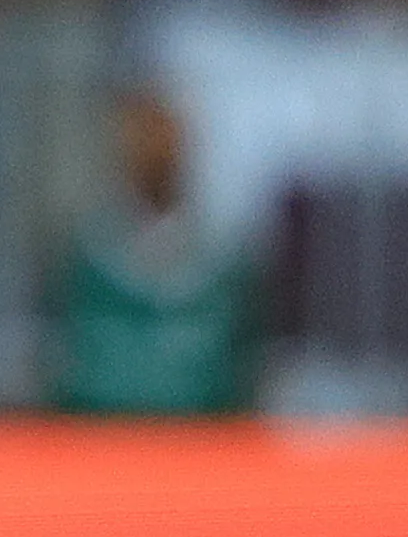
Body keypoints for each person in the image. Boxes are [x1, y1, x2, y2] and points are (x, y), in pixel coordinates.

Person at [46, 88, 258, 416]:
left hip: (202, 446)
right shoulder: (87, 256)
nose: (153, 149)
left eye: (164, 134)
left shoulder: (226, 262)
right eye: (140, 136)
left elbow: (244, 364)